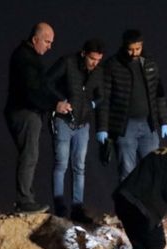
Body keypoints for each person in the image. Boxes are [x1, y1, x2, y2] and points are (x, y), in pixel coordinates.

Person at [4, 22, 72, 214]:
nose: (50, 46)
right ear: (35, 39)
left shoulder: (29, 56)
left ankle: (27, 199)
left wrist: (56, 100)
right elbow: (32, 91)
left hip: (27, 112)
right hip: (24, 112)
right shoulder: (25, 59)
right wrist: (55, 105)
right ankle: (25, 201)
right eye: (47, 42)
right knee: (29, 155)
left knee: (30, 155)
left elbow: (41, 87)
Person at [97, 29, 167, 181]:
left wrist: (164, 122)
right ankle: (126, 205)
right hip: (125, 126)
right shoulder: (113, 65)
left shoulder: (150, 63)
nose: (134, 53)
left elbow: (159, 94)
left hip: (148, 125)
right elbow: (104, 99)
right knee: (127, 171)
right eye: (130, 49)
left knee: (152, 168)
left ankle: (149, 204)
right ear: (124, 47)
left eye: (138, 49)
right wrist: (103, 128)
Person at [46, 39, 105, 223]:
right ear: (83, 54)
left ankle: (77, 208)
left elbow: (101, 95)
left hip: (83, 125)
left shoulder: (97, 72)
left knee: (79, 167)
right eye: (92, 59)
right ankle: (60, 207)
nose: (94, 63)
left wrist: (92, 105)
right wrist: (59, 101)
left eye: (98, 60)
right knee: (61, 164)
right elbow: (48, 82)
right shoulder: (67, 63)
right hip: (63, 121)